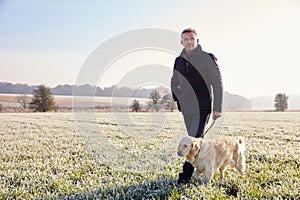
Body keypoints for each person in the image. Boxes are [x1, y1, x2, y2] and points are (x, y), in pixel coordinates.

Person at [171, 28, 223, 186]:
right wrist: (179, 102)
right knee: (194, 142)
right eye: (185, 39)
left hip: (203, 107)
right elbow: (174, 83)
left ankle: (184, 177)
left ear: (197, 41)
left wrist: (217, 107)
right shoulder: (178, 61)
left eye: (192, 38)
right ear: (182, 42)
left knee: (193, 139)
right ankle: (202, 168)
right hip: (187, 109)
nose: (189, 41)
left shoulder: (208, 58)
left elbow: (217, 83)